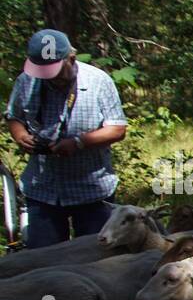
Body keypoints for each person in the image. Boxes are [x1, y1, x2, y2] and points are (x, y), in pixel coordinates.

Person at [5, 29, 128, 248]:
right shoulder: (26, 81)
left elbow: (117, 129)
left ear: (71, 59)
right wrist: (21, 135)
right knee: (43, 259)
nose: (48, 77)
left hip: (91, 191)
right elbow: (14, 117)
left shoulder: (98, 82)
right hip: (43, 189)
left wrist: (78, 142)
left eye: (54, 71)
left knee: (95, 255)